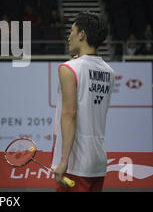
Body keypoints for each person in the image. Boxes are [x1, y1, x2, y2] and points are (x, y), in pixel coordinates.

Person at [51, 11, 115, 192]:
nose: (69, 37)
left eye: (72, 31)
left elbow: (70, 115)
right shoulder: (109, 72)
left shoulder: (69, 69)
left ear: (82, 34)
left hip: (75, 163)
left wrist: (63, 161)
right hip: (98, 161)